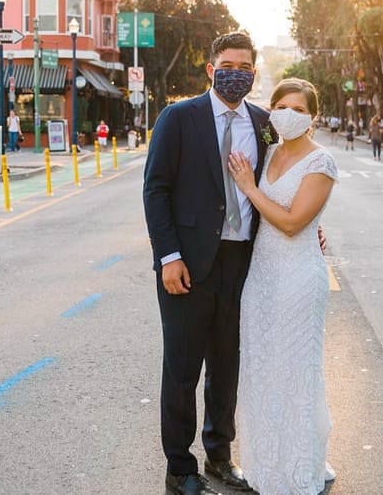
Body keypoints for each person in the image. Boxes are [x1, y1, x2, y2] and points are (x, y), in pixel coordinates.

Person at [143, 32, 270, 495]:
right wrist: (169, 257)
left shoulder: (264, 122)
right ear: (211, 69)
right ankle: (179, 467)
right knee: (182, 369)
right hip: (189, 264)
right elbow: (156, 189)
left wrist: (310, 225)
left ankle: (219, 455)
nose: (237, 73)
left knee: (226, 364)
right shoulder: (178, 117)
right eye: (228, 64)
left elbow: (278, 185)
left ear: (253, 72)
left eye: (246, 66)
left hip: (242, 262)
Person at [226, 77, 338, 495]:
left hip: (297, 279)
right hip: (262, 277)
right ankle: (266, 461)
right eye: (281, 106)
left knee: (294, 371)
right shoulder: (268, 152)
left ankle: (295, 467)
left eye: (298, 108)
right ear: (271, 110)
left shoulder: (321, 162)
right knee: (263, 369)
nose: (288, 114)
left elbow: (293, 223)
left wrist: (250, 188)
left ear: (312, 117)